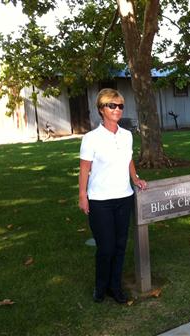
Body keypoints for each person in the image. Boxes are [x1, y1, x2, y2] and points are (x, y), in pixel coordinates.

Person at [79, 88, 147, 303]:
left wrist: (135, 178)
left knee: (120, 246)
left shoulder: (127, 136)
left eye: (120, 106)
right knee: (106, 248)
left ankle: (115, 287)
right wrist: (83, 195)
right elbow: (84, 169)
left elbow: (128, 159)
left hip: (124, 197)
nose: (117, 109)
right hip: (100, 201)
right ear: (101, 109)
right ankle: (100, 287)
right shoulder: (91, 139)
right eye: (112, 105)